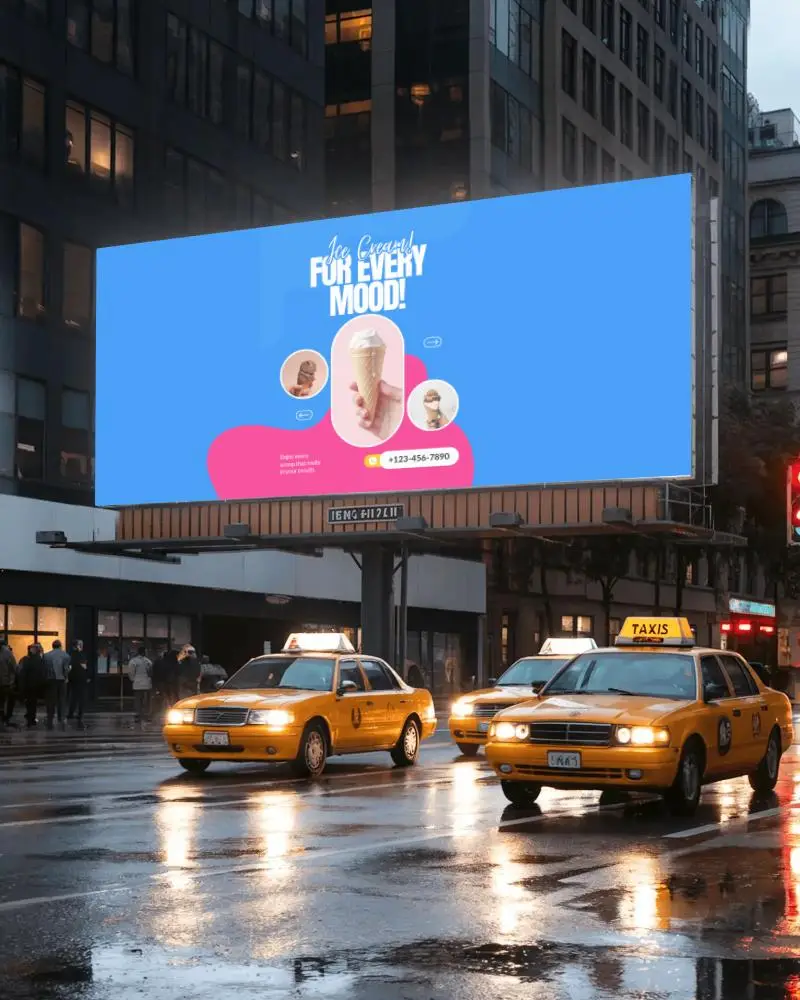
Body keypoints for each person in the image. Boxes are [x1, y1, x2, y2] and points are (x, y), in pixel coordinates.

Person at [43, 640, 71, 729]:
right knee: (62, 700)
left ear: (52, 646)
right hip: (61, 680)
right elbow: (66, 669)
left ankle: (50, 719)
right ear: (60, 646)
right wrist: (66, 677)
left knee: (51, 701)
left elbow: (44, 669)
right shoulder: (66, 655)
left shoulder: (46, 656)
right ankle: (62, 718)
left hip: (50, 680)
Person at [19, 643, 46, 729]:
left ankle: (30, 718)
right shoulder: (40, 660)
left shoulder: (27, 660)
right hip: (36, 684)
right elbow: (42, 673)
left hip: (28, 684)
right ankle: (32, 718)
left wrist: (22, 685)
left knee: (30, 702)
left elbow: (23, 673)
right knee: (33, 703)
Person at [127, 644, 153, 725]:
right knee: (147, 700)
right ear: (144, 652)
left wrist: (133, 679)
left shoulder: (133, 661)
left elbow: (131, 672)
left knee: (138, 700)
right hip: (147, 684)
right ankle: (147, 715)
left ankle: (138, 715)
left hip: (137, 684)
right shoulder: (148, 661)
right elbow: (150, 673)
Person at [67, 640, 89, 726]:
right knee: (81, 698)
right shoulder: (81, 655)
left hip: (73, 679)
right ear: (78, 646)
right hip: (81, 679)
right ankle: (79, 715)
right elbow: (84, 667)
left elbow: (69, 667)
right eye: (80, 645)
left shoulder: (70, 654)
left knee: (73, 697)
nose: (82, 646)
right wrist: (87, 676)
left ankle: (71, 713)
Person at [0, 640, 17, 730]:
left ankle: (5, 717)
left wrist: (11, 681)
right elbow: (14, 668)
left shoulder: (7, 653)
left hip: (5, 682)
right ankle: (4, 718)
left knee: (6, 700)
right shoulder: (7, 653)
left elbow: (13, 668)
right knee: (5, 701)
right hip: (5, 681)